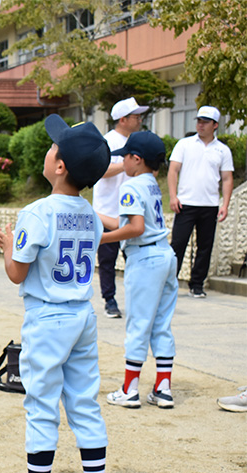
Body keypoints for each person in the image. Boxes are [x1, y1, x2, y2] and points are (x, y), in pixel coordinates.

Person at [0, 115, 110, 473]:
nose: (48, 150)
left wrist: (9, 245)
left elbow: (17, 273)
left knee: (42, 405)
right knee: (84, 402)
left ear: (59, 166)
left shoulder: (37, 212)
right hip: (82, 315)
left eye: (52, 147)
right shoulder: (90, 213)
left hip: (47, 318)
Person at [99, 132, 178, 410]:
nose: (123, 162)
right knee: (160, 324)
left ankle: (130, 389)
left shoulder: (131, 186)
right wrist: (96, 215)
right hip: (165, 254)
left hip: (145, 258)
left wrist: (100, 238)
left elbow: (135, 228)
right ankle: (163, 387)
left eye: (125, 156)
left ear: (137, 159)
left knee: (138, 325)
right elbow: (130, 222)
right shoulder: (151, 184)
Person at [168, 105, 234, 298]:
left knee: (205, 246)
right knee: (178, 244)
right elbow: (173, 170)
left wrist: (225, 204)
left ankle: (197, 285)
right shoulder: (184, 144)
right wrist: (173, 196)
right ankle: (169, 282)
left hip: (210, 205)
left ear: (215, 125)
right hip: (185, 203)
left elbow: (227, 178)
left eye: (205, 122)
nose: (200, 125)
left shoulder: (222, 150)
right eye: (199, 121)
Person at [92, 97, 149, 318]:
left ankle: (139, 301)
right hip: (107, 212)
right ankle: (110, 300)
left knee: (134, 259)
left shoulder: (137, 141)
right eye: (136, 117)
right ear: (123, 119)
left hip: (130, 213)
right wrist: (125, 165)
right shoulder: (107, 142)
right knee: (107, 260)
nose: (140, 120)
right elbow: (101, 170)